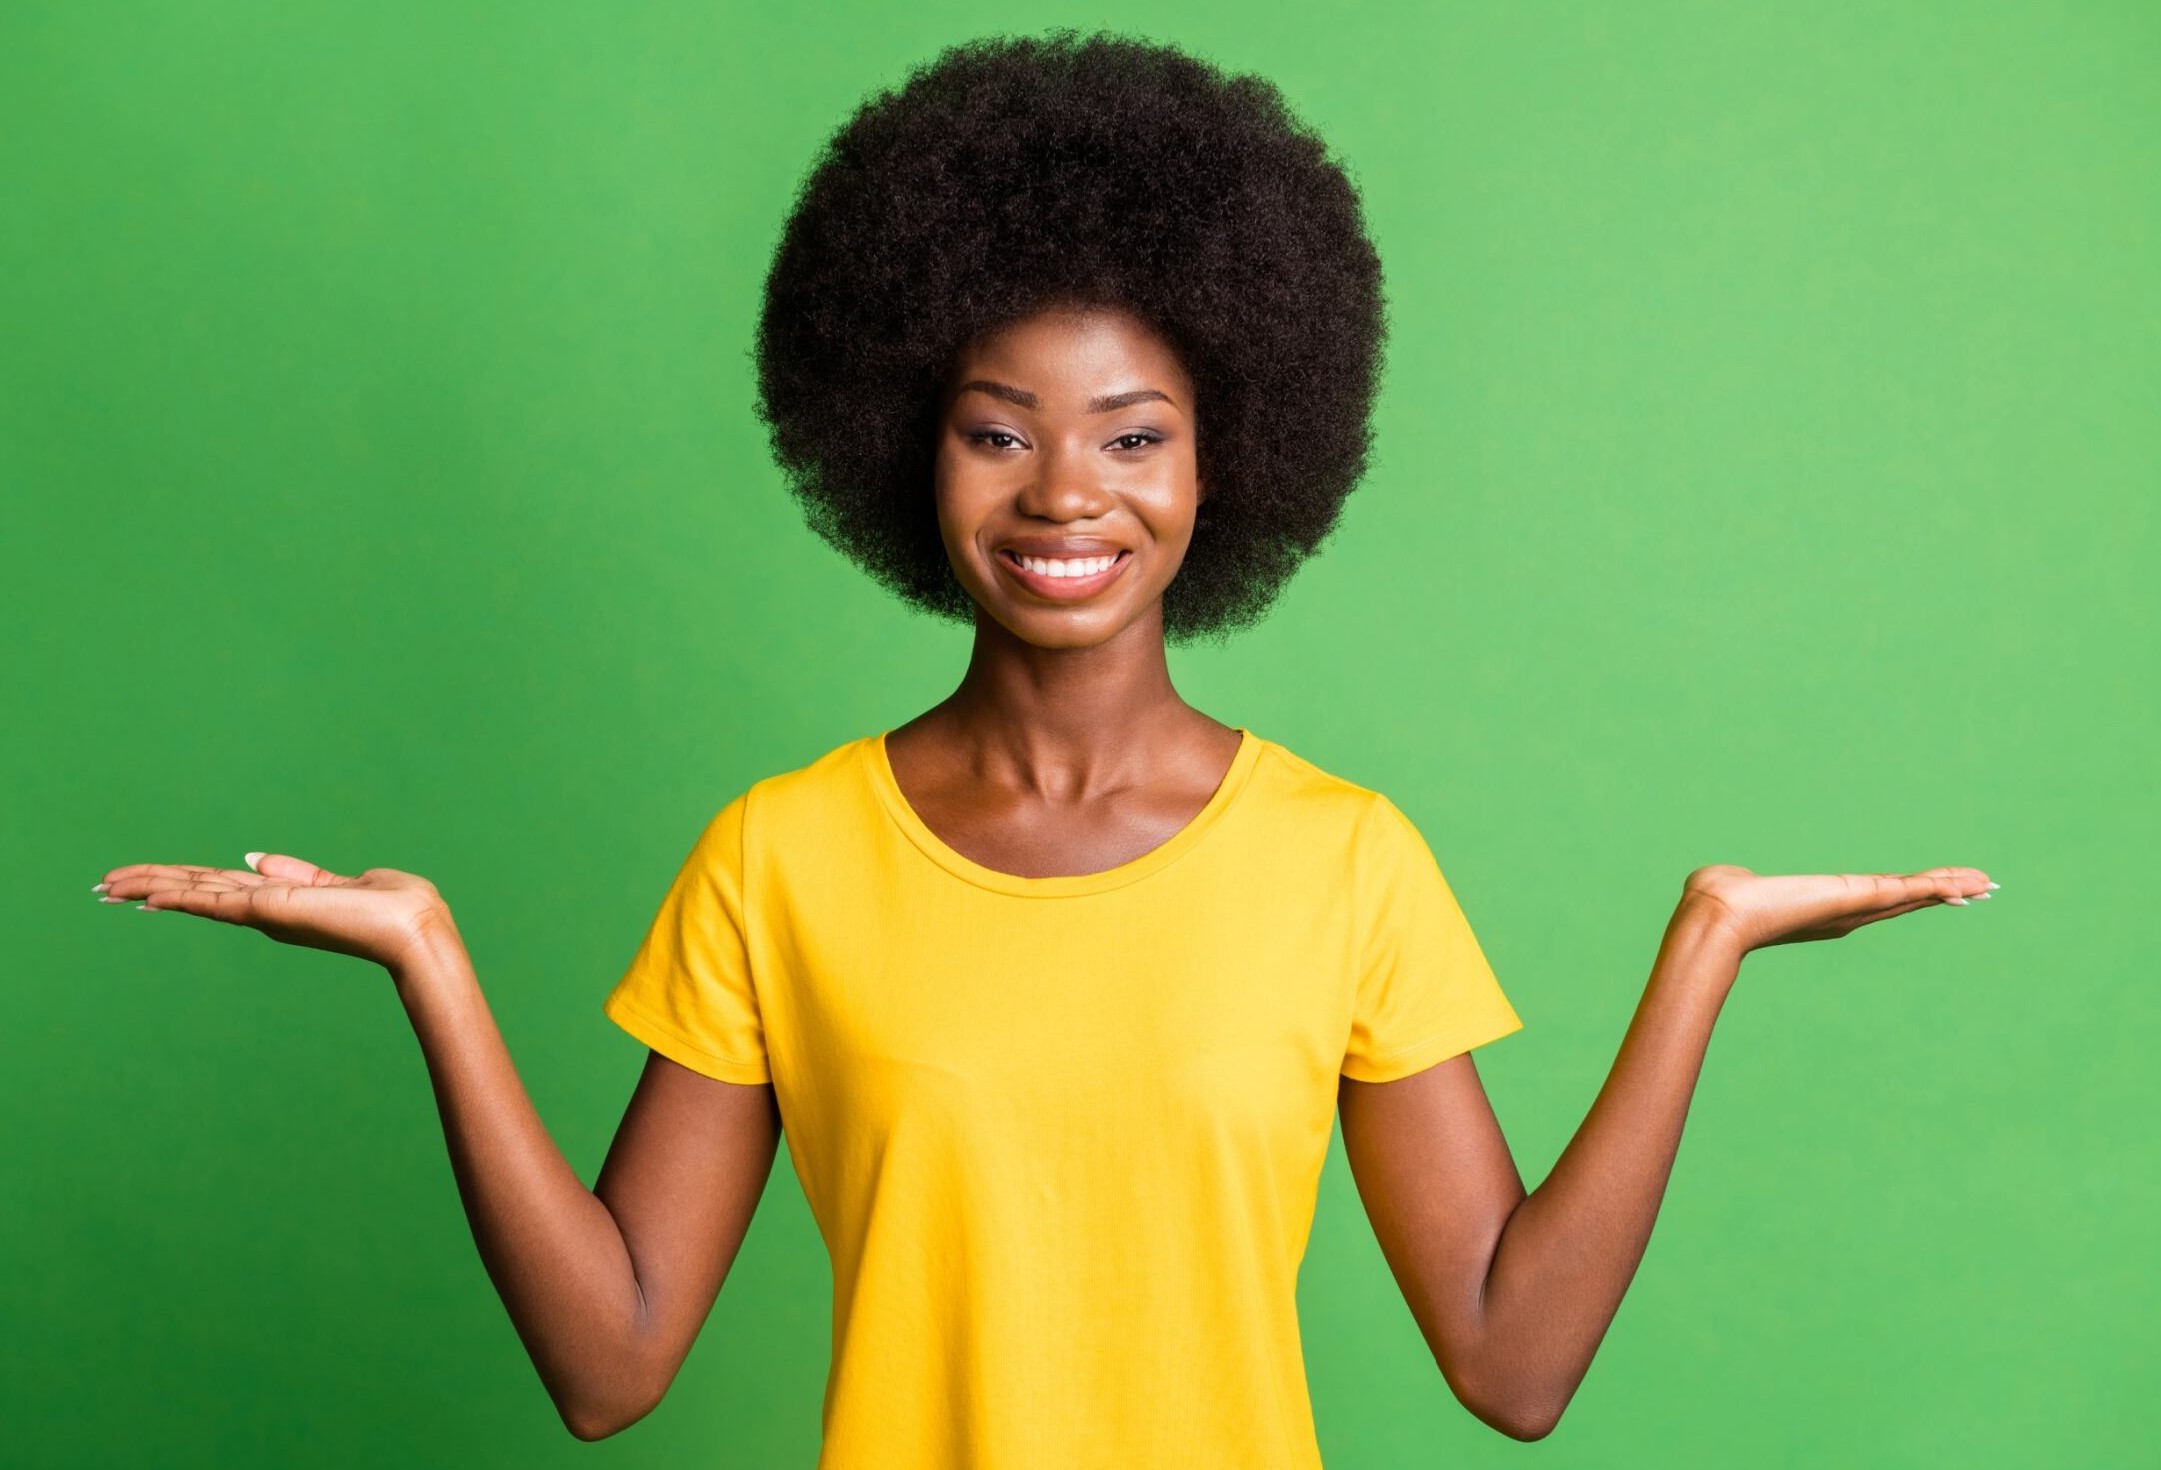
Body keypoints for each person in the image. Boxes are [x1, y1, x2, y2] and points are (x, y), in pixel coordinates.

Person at [93, 29, 1996, 1468]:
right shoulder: (783, 855)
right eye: (998, 429)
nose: (1066, 491)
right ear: (900, 447)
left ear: (1227, 452)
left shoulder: (1344, 860)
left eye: (1132, 432)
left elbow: (1513, 1362)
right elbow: (612, 1363)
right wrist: (431, 960)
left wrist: (1704, 951)